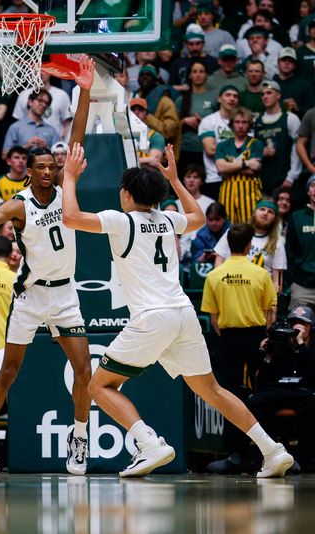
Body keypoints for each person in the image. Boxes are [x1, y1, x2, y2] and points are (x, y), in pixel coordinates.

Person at [61, 141, 293, 478]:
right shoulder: (168, 219)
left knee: (99, 386)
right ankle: (272, 450)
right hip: (183, 314)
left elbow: (70, 217)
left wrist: (69, 176)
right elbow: (197, 216)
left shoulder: (121, 221)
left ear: (126, 194)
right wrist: (175, 180)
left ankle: (149, 443)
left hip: (152, 317)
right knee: (212, 390)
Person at [0, 57, 94, 475]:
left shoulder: (66, 191)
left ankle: (79, 438)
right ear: (28, 172)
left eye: (51, 167)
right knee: (7, 373)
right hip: (29, 296)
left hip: (65, 294)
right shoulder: (19, 204)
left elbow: (75, 136)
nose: (47, 172)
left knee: (84, 369)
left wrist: (85, 92)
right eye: (39, 167)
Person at [201, 222, 277, 470]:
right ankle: (267, 452)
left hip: (229, 339)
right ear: (248, 246)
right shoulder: (261, 273)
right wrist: (262, 335)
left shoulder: (214, 275)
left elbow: (212, 317)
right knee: (263, 394)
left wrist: (226, 335)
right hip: (257, 339)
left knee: (230, 396)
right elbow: (270, 313)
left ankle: (235, 453)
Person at [248, 305, 315, 472]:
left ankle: (301, 460)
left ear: (310, 328)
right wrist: (266, 353)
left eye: (302, 324)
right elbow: (261, 383)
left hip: (303, 392)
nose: (297, 327)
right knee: (254, 403)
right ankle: (259, 457)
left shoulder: (310, 349)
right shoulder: (278, 345)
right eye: (293, 323)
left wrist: (300, 345)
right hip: (276, 390)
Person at [215, 200, 285, 292]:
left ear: (275, 218)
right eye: (262, 209)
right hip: (231, 286)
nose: (265, 213)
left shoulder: (278, 241)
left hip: (260, 290)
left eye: (270, 212)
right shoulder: (235, 231)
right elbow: (219, 262)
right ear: (254, 213)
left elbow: (277, 281)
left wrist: (273, 302)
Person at [214, 107, 264, 224]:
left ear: (250, 124)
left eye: (244, 122)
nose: (240, 126)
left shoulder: (256, 143)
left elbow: (253, 170)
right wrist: (246, 163)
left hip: (249, 191)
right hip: (227, 191)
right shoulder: (223, 145)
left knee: (249, 225)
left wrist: (228, 167)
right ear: (232, 124)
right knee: (227, 226)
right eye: (237, 122)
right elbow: (220, 168)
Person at [287, 176, 315, 309]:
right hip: (302, 287)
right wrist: (293, 281)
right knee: (300, 329)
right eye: (313, 185)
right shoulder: (296, 217)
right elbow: (289, 252)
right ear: (308, 191)